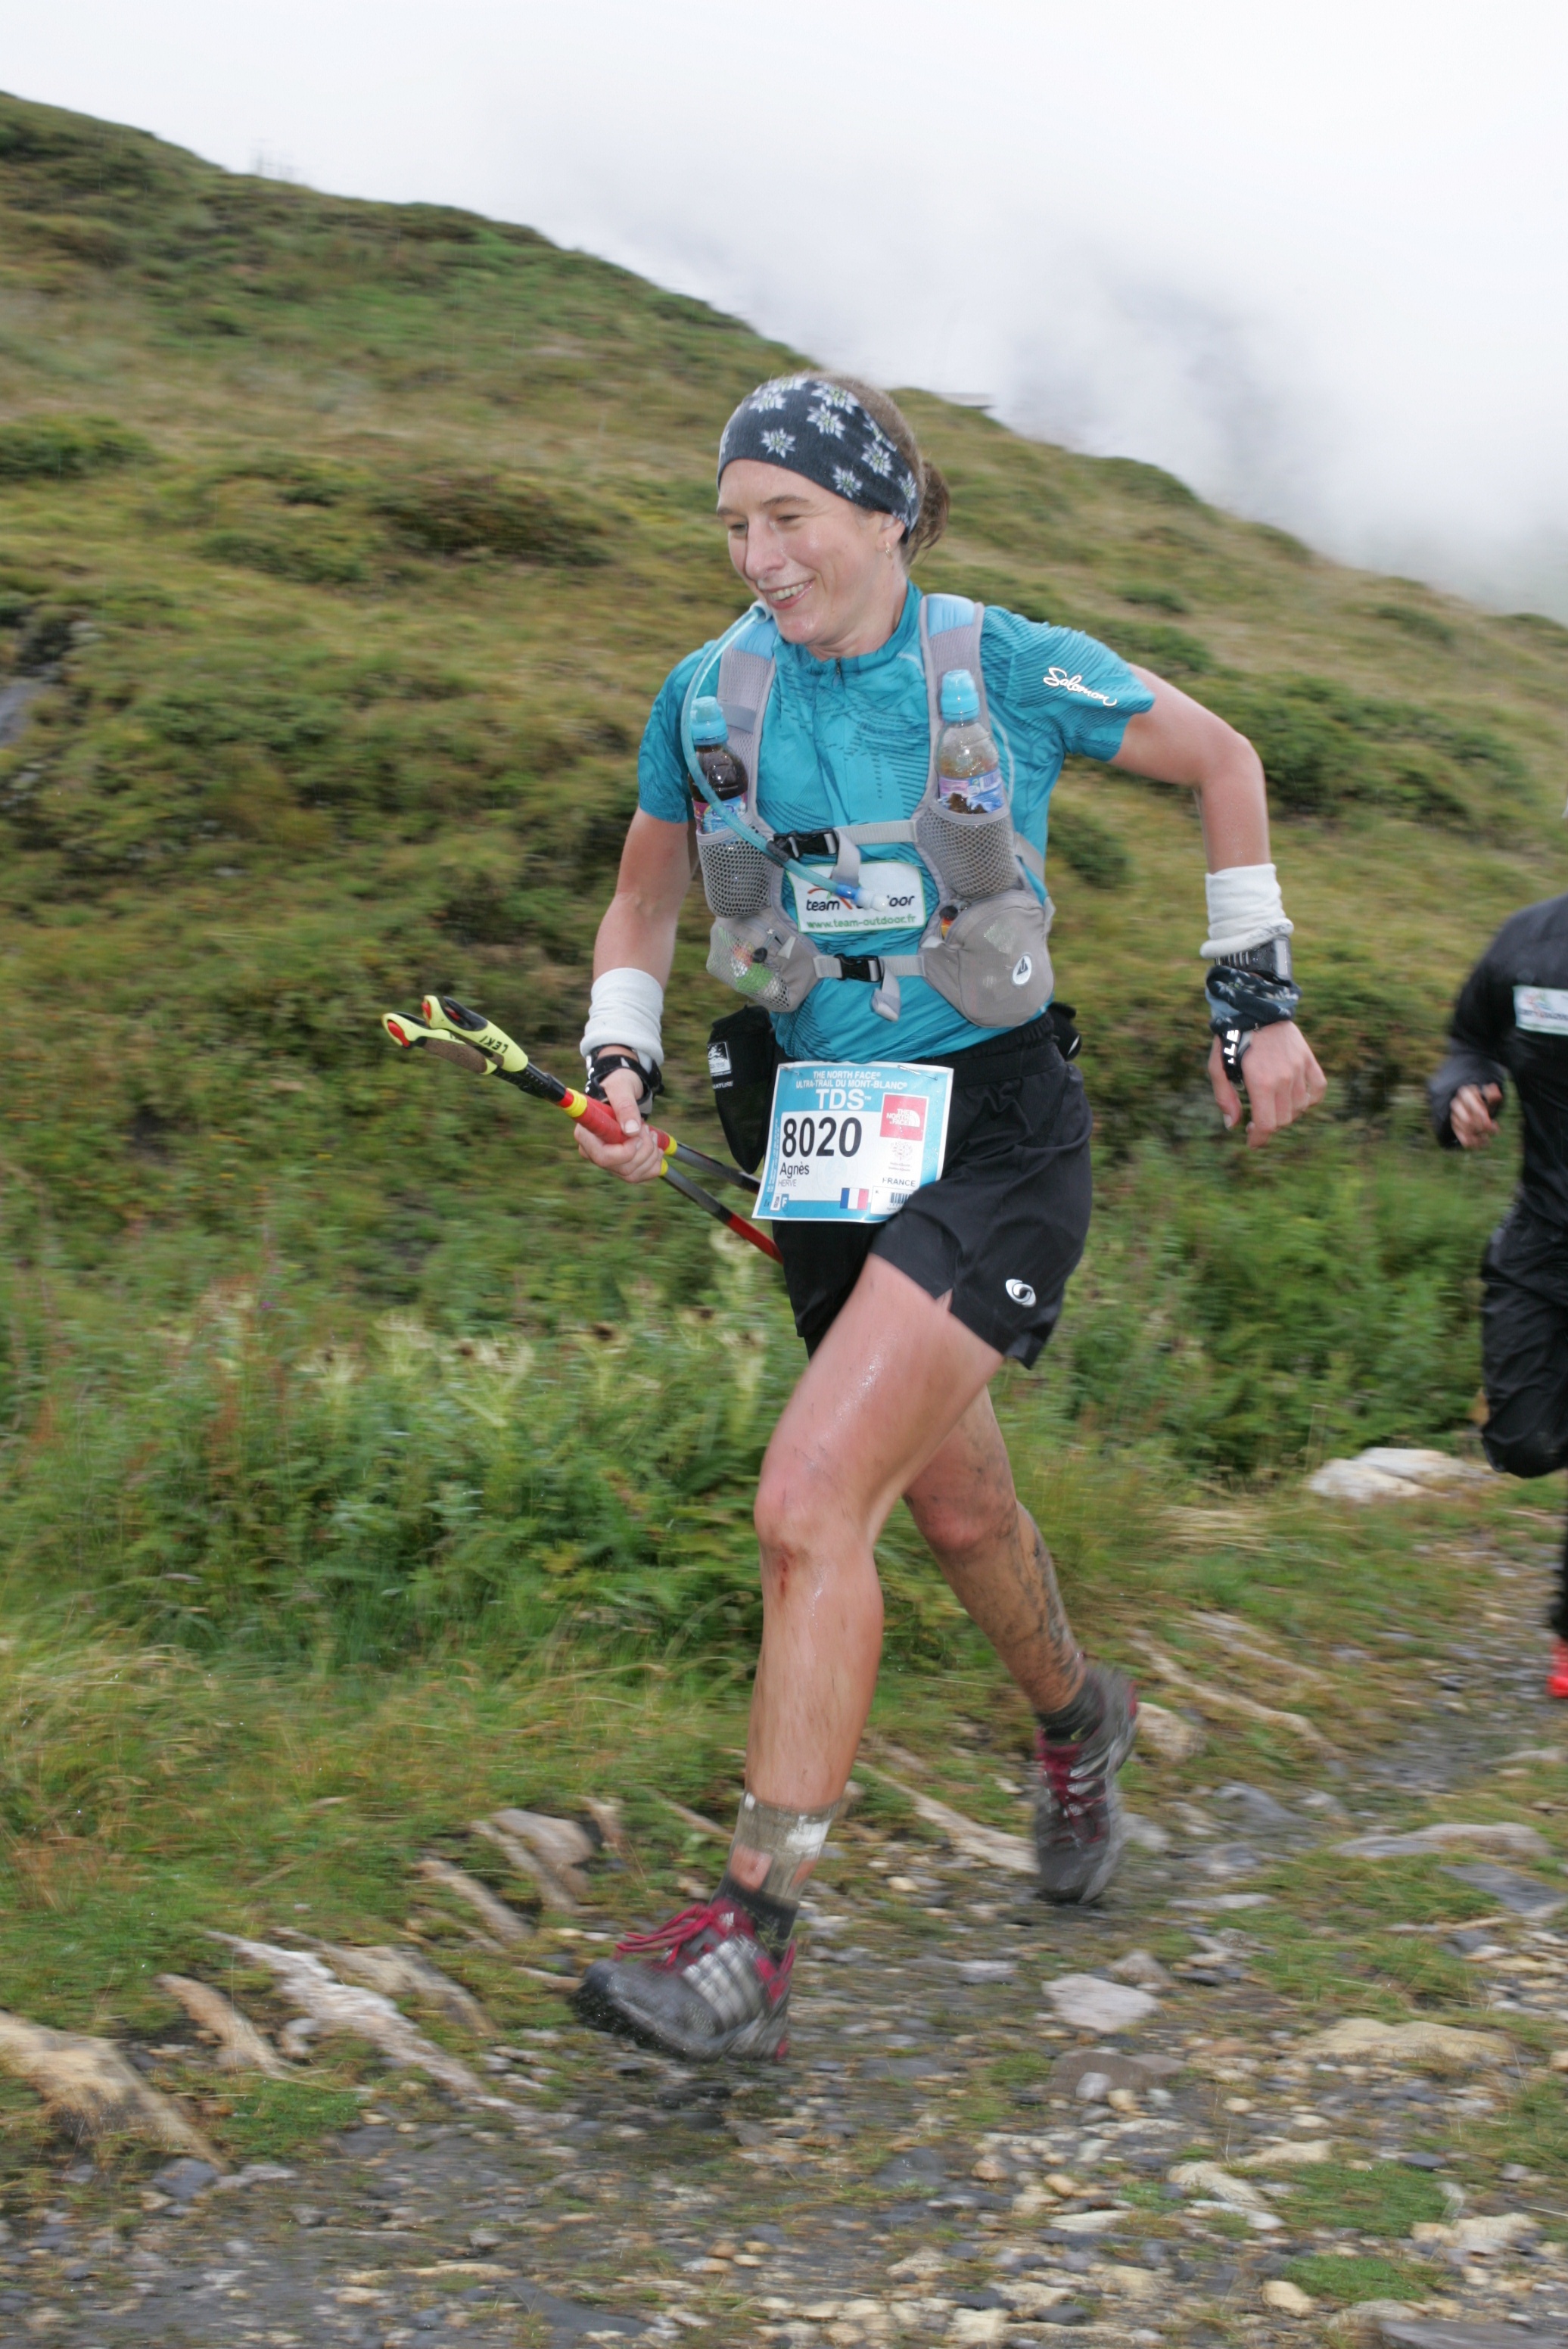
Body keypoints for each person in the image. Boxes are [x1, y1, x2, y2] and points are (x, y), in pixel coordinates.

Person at [571, 374, 1326, 2061]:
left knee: (808, 1498)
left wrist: (1253, 1004)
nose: (759, 557)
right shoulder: (704, 695)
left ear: (885, 513)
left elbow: (1222, 760)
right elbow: (640, 899)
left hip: (994, 1138)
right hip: (823, 1149)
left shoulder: (1008, 666)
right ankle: (1078, 1718)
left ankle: (750, 1937)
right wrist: (618, 1062)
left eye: (789, 518)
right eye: (735, 525)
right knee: (958, 1508)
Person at [1429, 894, 1568, 1700]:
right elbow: (1471, 1040)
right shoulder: (1529, 943)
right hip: (1542, 1238)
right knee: (1522, 1443)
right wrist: (1463, 1092)